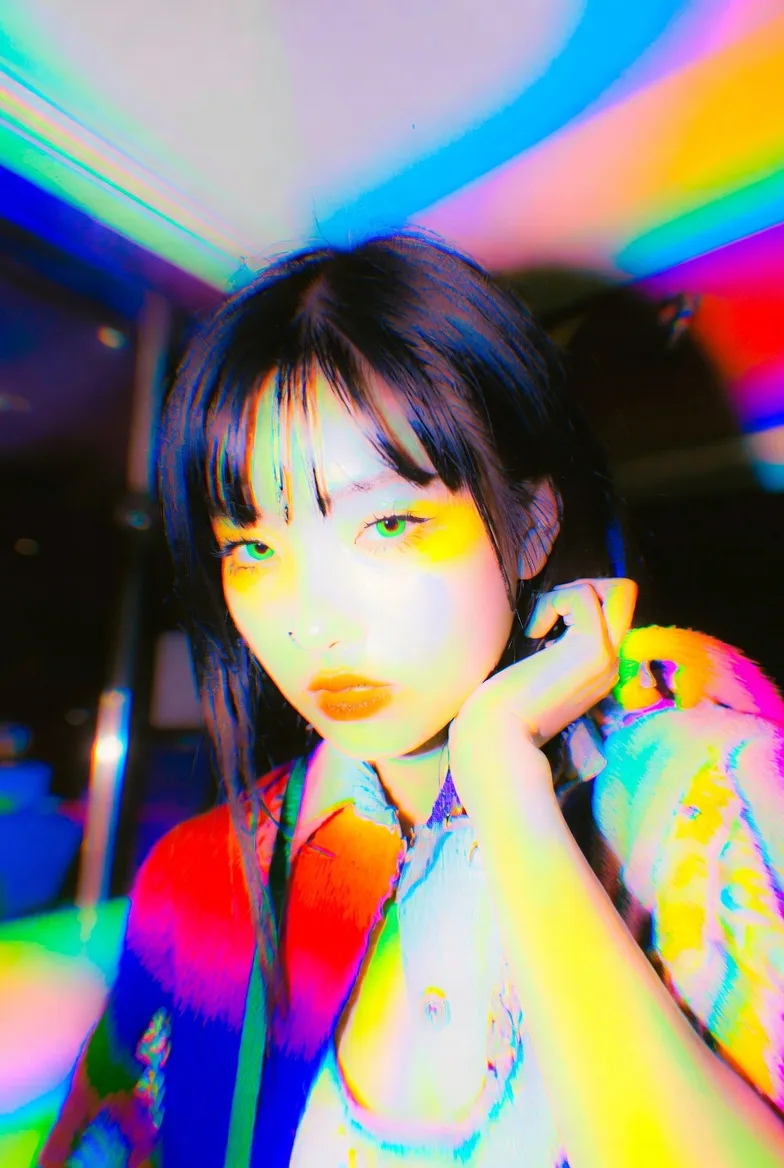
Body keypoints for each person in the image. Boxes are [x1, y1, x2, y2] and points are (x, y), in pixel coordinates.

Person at [41, 233, 784, 1167]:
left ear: (531, 525)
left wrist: (505, 786)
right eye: (255, 550)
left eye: (388, 524)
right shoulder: (205, 874)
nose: (314, 624)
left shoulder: (696, 797)